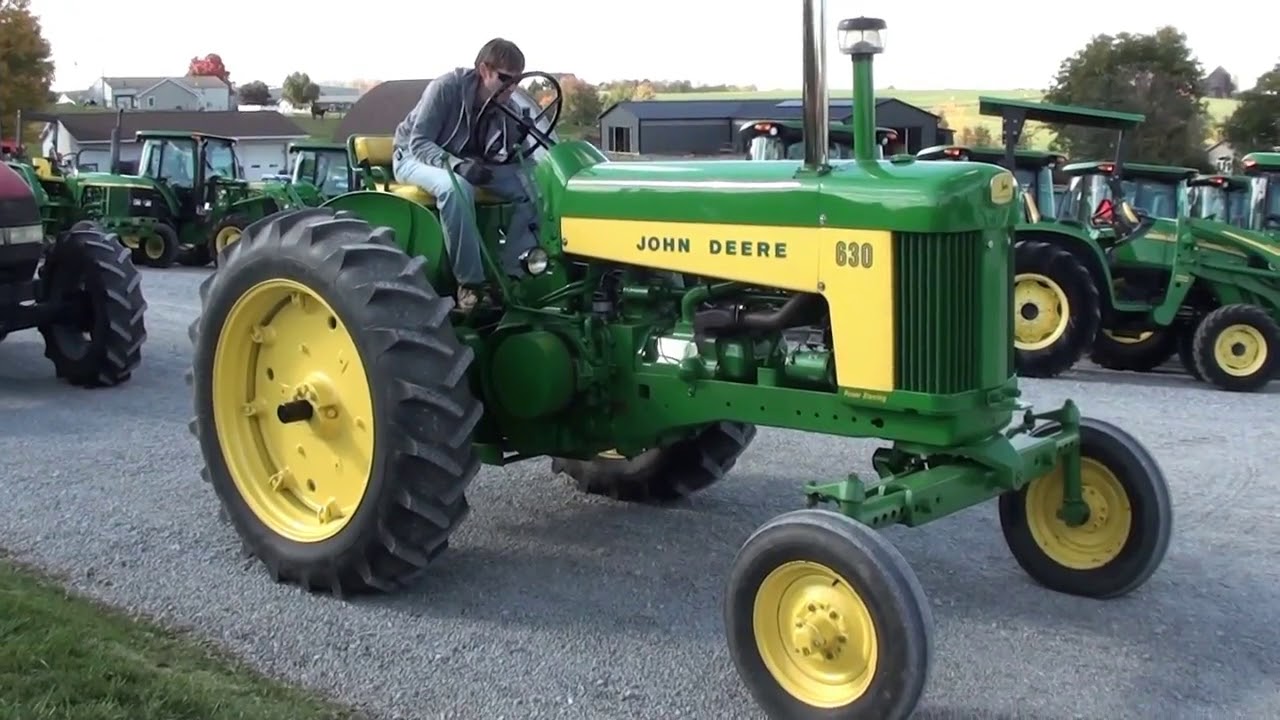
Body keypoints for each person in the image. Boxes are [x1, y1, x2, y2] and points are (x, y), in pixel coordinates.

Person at [392, 38, 540, 313]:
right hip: (413, 157)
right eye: (506, 79)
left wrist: (522, 142)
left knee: (533, 189)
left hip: (469, 163)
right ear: (484, 70)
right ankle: (470, 285)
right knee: (457, 188)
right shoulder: (446, 88)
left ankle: (511, 275)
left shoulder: (508, 105)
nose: (512, 88)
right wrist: (457, 165)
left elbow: (519, 160)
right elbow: (419, 142)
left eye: (517, 81)